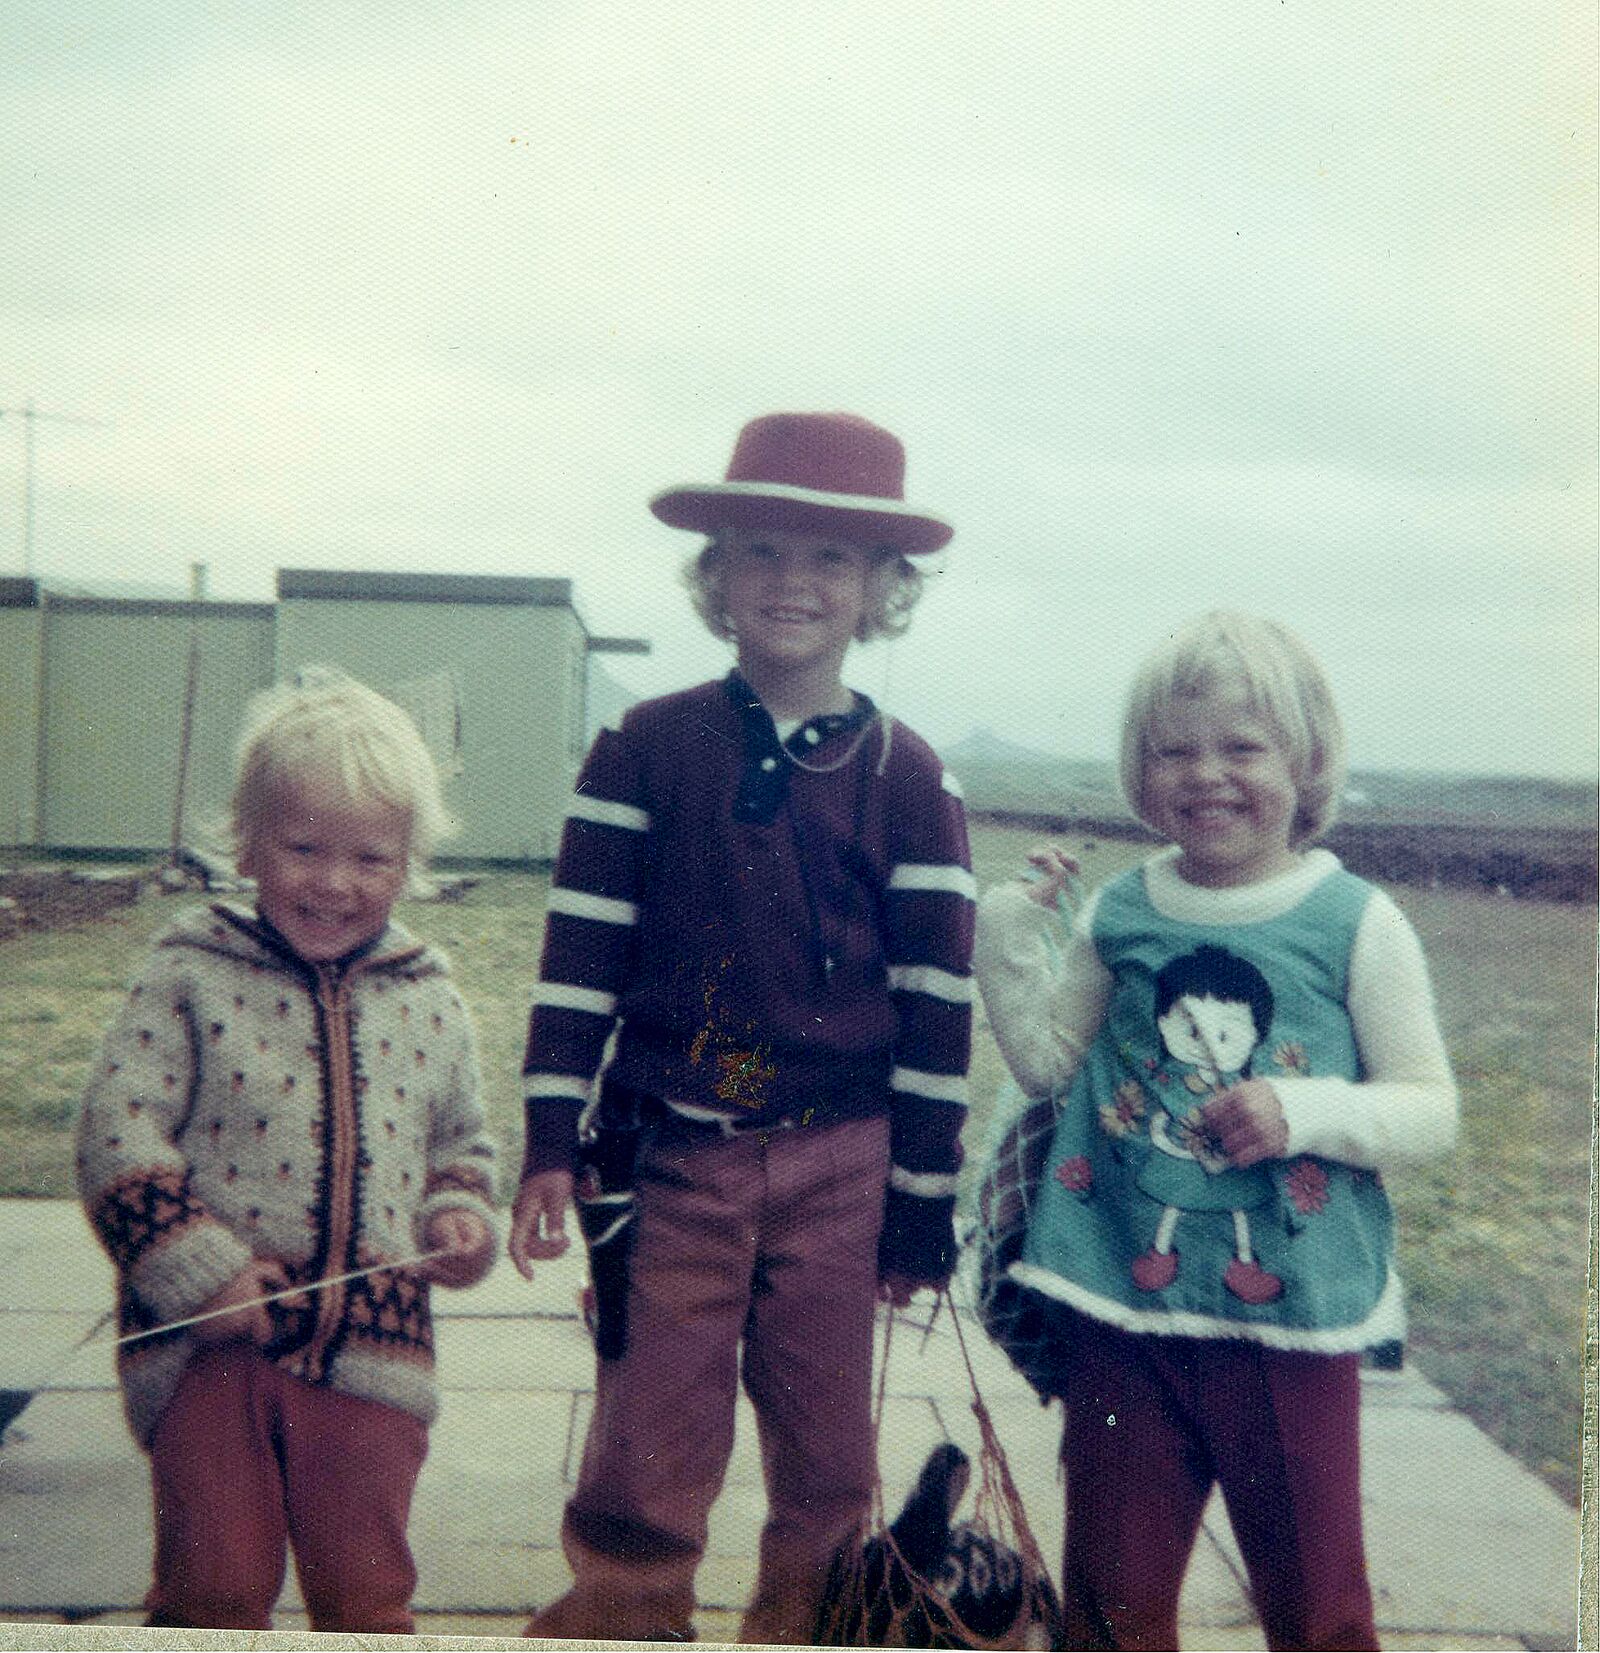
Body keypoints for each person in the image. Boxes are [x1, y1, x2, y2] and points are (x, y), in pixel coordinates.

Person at [509, 411, 975, 1643]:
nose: (791, 581)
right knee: (647, 1439)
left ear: (881, 589)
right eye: (761, 549)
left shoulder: (909, 776)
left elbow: (937, 1004)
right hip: (673, 1158)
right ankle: (626, 1617)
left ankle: (805, 1626)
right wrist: (550, 1139)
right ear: (715, 575)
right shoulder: (643, 748)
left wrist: (921, 1201)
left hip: (843, 1166)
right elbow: (578, 961)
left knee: (827, 1452)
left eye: (830, 558)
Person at [972, 611, 1457, 1651]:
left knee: (1316, 1608)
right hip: (1122, 1303)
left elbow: (1430, 1107)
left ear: (1306, 760)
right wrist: (1009, 932)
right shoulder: (1118, 910)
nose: (1207, 775)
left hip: (1290, 1321)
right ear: (1138, 770)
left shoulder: (1356, 920)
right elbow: (1049, 1064)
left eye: (1243, 746)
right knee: (1110, 1608)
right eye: (1172, 750)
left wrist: (1305, 1111)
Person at [75, 668, 498, 1633]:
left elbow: (460, 1141)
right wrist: (198, 1270)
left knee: (367, 1596)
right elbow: (115, 1131)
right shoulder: (190, 971)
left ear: (408, 862)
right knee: (215, 1586)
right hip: (207, 1348)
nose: (335, 882)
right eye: (303, 847)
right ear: (248, 841)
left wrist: (458, 1212)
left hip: (378, 1353)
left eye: (370, 857)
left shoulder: (430, 994)